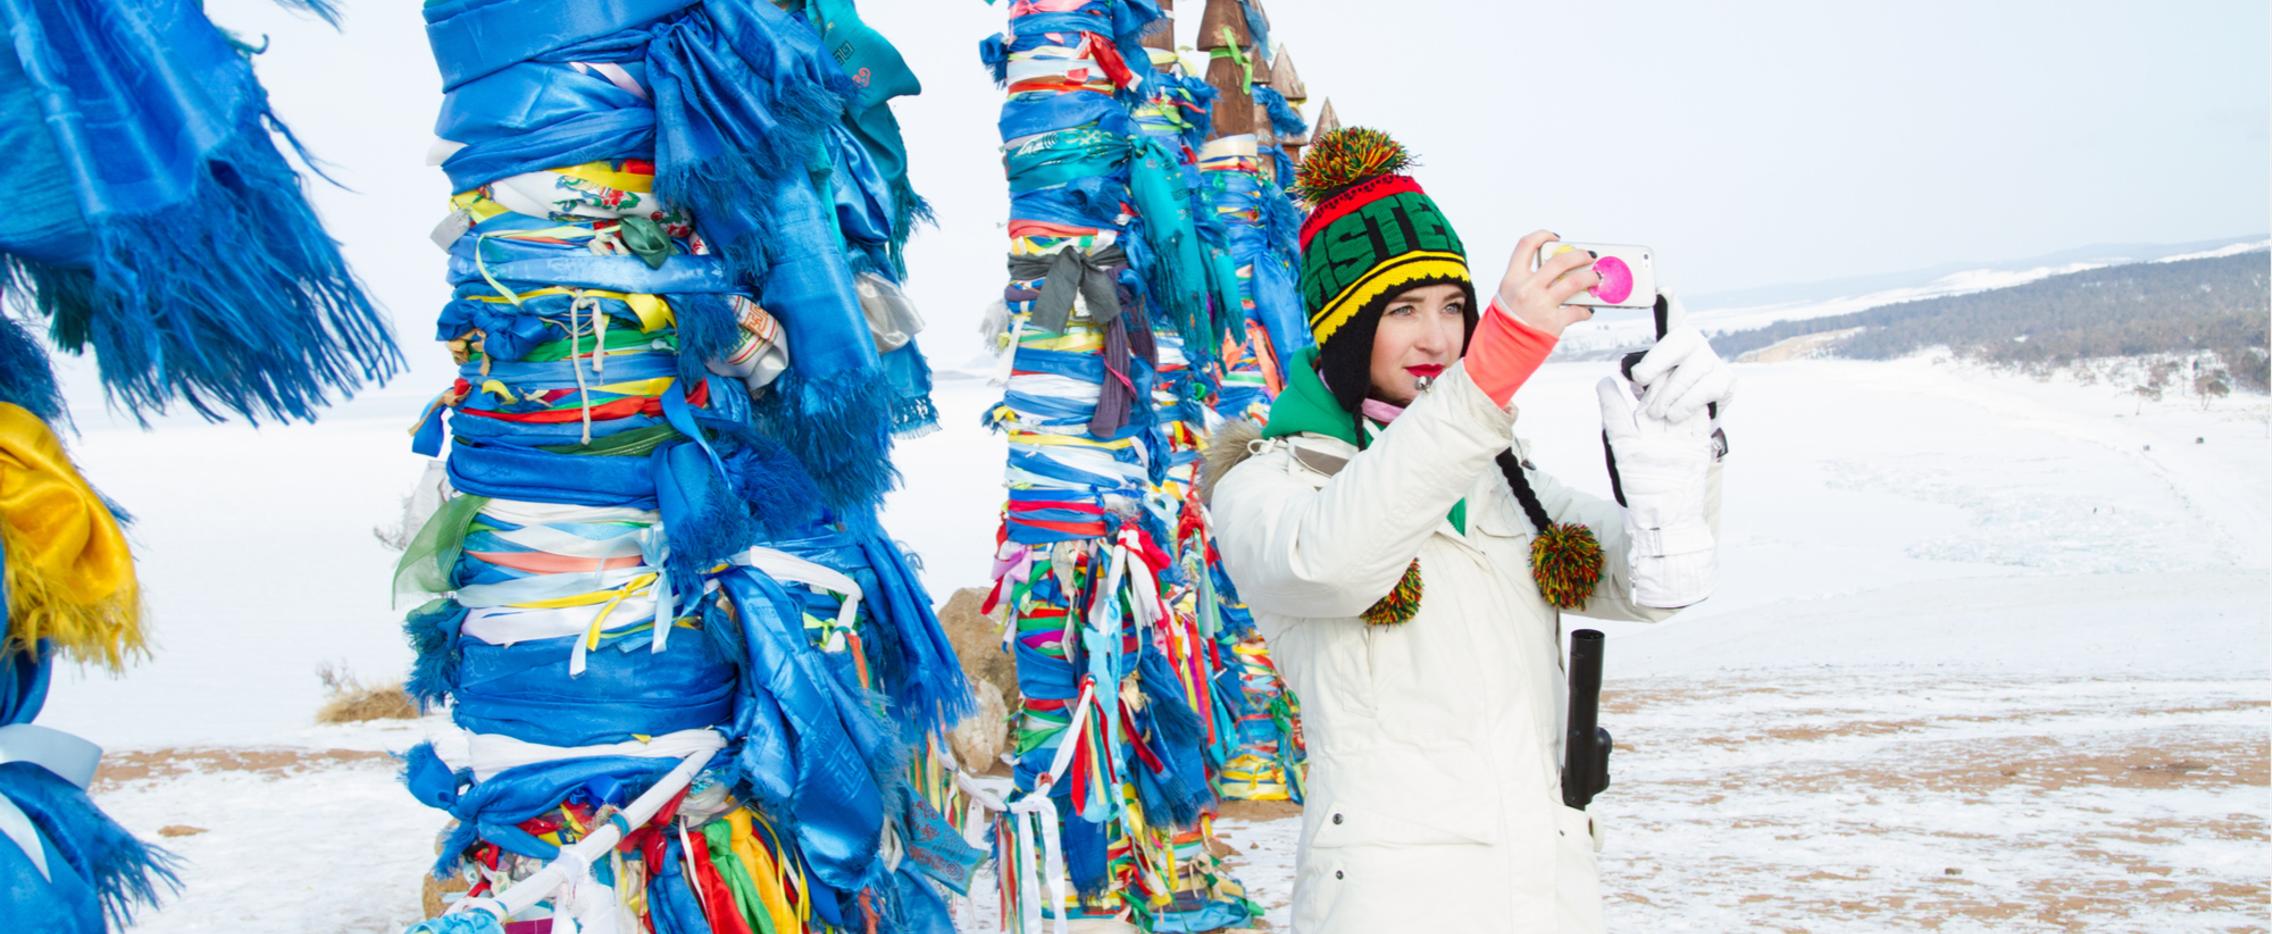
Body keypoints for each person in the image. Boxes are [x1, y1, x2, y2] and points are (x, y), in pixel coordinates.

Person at [1206, 128, 1735, 931]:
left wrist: (1681, 466)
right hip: (1393, 908)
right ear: (1346, 326)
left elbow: (1654, 582)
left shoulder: (1499, 480)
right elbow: (1332, 564)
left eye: (1454, 308)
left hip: (1547, 899)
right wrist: (1494, 369)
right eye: (1403, 310)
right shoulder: (1271, 484)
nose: (1439, 339)